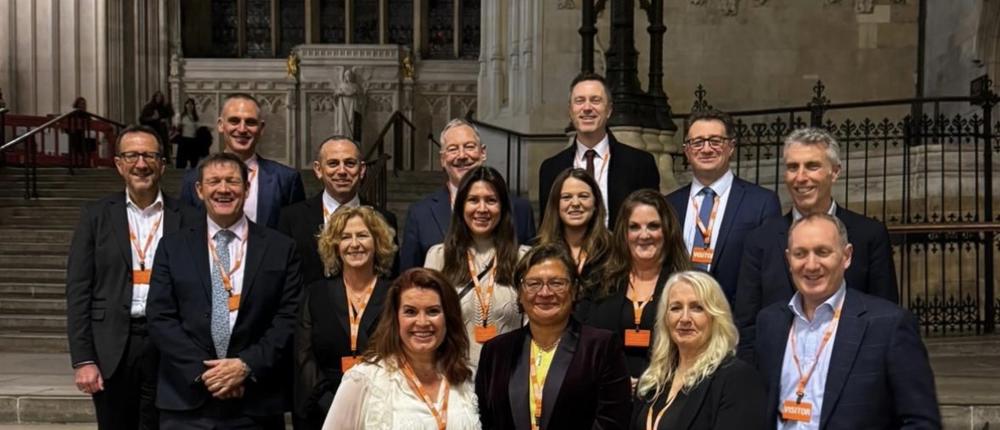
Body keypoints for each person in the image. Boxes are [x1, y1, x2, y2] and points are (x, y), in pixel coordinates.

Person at [147, 153, 303, 429]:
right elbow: (161, 317)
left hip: (256, 401)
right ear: (199, 190)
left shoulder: (281, 247)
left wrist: (245, 366)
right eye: (214, 181)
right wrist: (207, 374)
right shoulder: (172, 247)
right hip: (187, 401)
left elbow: (288, 318)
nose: (223, 189)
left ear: (247, 188)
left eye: (232, 181)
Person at [66, 125, 201, 430]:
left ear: (163, 164)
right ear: (118, 164)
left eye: (149, 155)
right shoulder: (95, 216)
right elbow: (78, 291)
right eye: (132, 156)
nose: (141, 164)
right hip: (113, 343)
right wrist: (83, 359)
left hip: (170, 344)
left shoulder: (190, 218)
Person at [752, 214, 940, 429]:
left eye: (822, 252)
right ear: (788, 260)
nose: (811, 265)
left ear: (847, 256)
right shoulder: (769, 323)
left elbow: (921, 422)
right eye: (800, 254)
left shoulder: (888, 325)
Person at [735, 127, 898, 361]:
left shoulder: (868, 235)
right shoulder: (760, 241)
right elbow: (747, 325)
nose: (801, 177)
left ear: (835, 172)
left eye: (812, 166)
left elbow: (885, 319)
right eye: (793, 167)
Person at [475, 243, 631, 429]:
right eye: (533, 284)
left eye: (557, 283)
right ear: (520, 293)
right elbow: (486, 421)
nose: (545, 293)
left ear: (574, 290)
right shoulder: (495, 352)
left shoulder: (601, 347)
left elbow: (612, 422)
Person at [321, 268, 481, 429]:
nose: (422, 322)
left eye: (433, 311)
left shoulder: (466, 377)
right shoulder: (362, 380)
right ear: (395, 318)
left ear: (448, 318)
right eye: (410, 312)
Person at [293, 207, 396, 429]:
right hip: (323, 408)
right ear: (335, 245)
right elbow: (304, 355)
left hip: (381, 407)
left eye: (362, 235)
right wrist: (333, 405)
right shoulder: (315, 293)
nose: (354, 244)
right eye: (345, 237)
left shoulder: (395, 294)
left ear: (377, 242)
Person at [665, 109, 781, 303]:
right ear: (686, 150)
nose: (707, 149)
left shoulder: (761, 203)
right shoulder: (670, 205)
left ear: (731, 147)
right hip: (680, 317)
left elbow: (769, 273)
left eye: (716, 141)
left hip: (734, 321)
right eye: (698, 142)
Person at [631, 271, 766, 430]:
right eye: (676, 308)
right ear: (665, 318)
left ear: (716, 317)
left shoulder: (737, 378)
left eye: (697, 308)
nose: (685, 318)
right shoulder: (654, 376)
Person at [424, 165, 528, 368]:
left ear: (503, 207)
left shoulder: (524, 258)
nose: (482, 209)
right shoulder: (438, 257)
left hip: (508, 376)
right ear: (461, 205)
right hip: (453, 376)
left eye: (491, 200)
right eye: (473, 200)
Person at [400, 118, 536, 270]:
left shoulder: (520, 209)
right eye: (452, 149)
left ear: (483, 152)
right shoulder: (420, 214)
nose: (462, 155)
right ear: (442, 159)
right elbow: (408, 279)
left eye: (469, 147)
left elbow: (531, 273)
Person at [583, 189, 691, 380]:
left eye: (653, 226)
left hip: (670, 392)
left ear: (667, 230)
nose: (644, 235)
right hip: (609, 395)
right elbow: (585, 344)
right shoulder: (599, 281)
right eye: (634, 227)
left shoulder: (691, 283)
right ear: (624, 233)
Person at [538, 73, 660, 228]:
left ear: (609, 110)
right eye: (580, 101)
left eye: (595, 100)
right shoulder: (551, 169)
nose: (587, 108)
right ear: (570, 111)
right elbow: (546, 228)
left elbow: (651, 223)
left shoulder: (640, 164)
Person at [279, 135, 398, 285]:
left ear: (361, 170)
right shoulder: (291, 218)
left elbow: (390, 278)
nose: (342, 171)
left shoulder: (384, 219)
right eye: (333, 163)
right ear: (318, 169)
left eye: (349, 163)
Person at [180, 93, 306, 229]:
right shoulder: (193, 179)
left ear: (261, 128)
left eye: (250, 122)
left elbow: (296, 235)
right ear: (221, 125)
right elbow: (187, 235)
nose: (242, 129)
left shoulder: (286, 180)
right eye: (234, 121)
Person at [535, 168, 613, 302]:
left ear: (596, 204)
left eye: (583, 196)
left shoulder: (614, 249)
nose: (575, 203)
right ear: (556, 204)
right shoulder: (539, 252)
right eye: (566, 197)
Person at [139, 91, 175, 163]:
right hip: (152, 129)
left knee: (162, 146)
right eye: (158, 97)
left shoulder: (163, 107)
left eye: (160, 97)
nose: (159, 99)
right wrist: (153, 118)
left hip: (161, 131)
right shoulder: (149, 107)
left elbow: (170, 114)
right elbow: (142, 119)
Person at [173, 98, 201, 169]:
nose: (189, 106)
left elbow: (198, 128)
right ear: (185, 105)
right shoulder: (182, 116)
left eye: (191, 104)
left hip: (193, 140)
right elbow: (177, 127)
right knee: (182, 160)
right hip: (184, 139)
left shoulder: (196, 117)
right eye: (188, 104)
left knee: (194, 160)